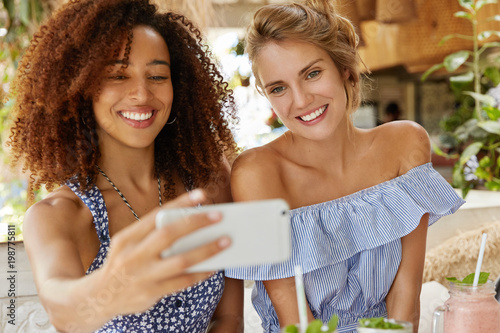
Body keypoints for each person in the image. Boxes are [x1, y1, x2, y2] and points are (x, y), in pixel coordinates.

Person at [224, 1, 465, 332]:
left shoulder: (404, 145)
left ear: (345, 70)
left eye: (312, 73)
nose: (300, 100)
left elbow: (404, 304)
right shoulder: (257, 173)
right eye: (278, 88)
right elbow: (294, 322)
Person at [6, 0, 243, 332]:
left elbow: (228, 317)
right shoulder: (59, 215)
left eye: (158, 75)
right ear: (80, 88)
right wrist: (109, 289)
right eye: (118, 75)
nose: (141, 93)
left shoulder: (209, 180)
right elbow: (63, 311)